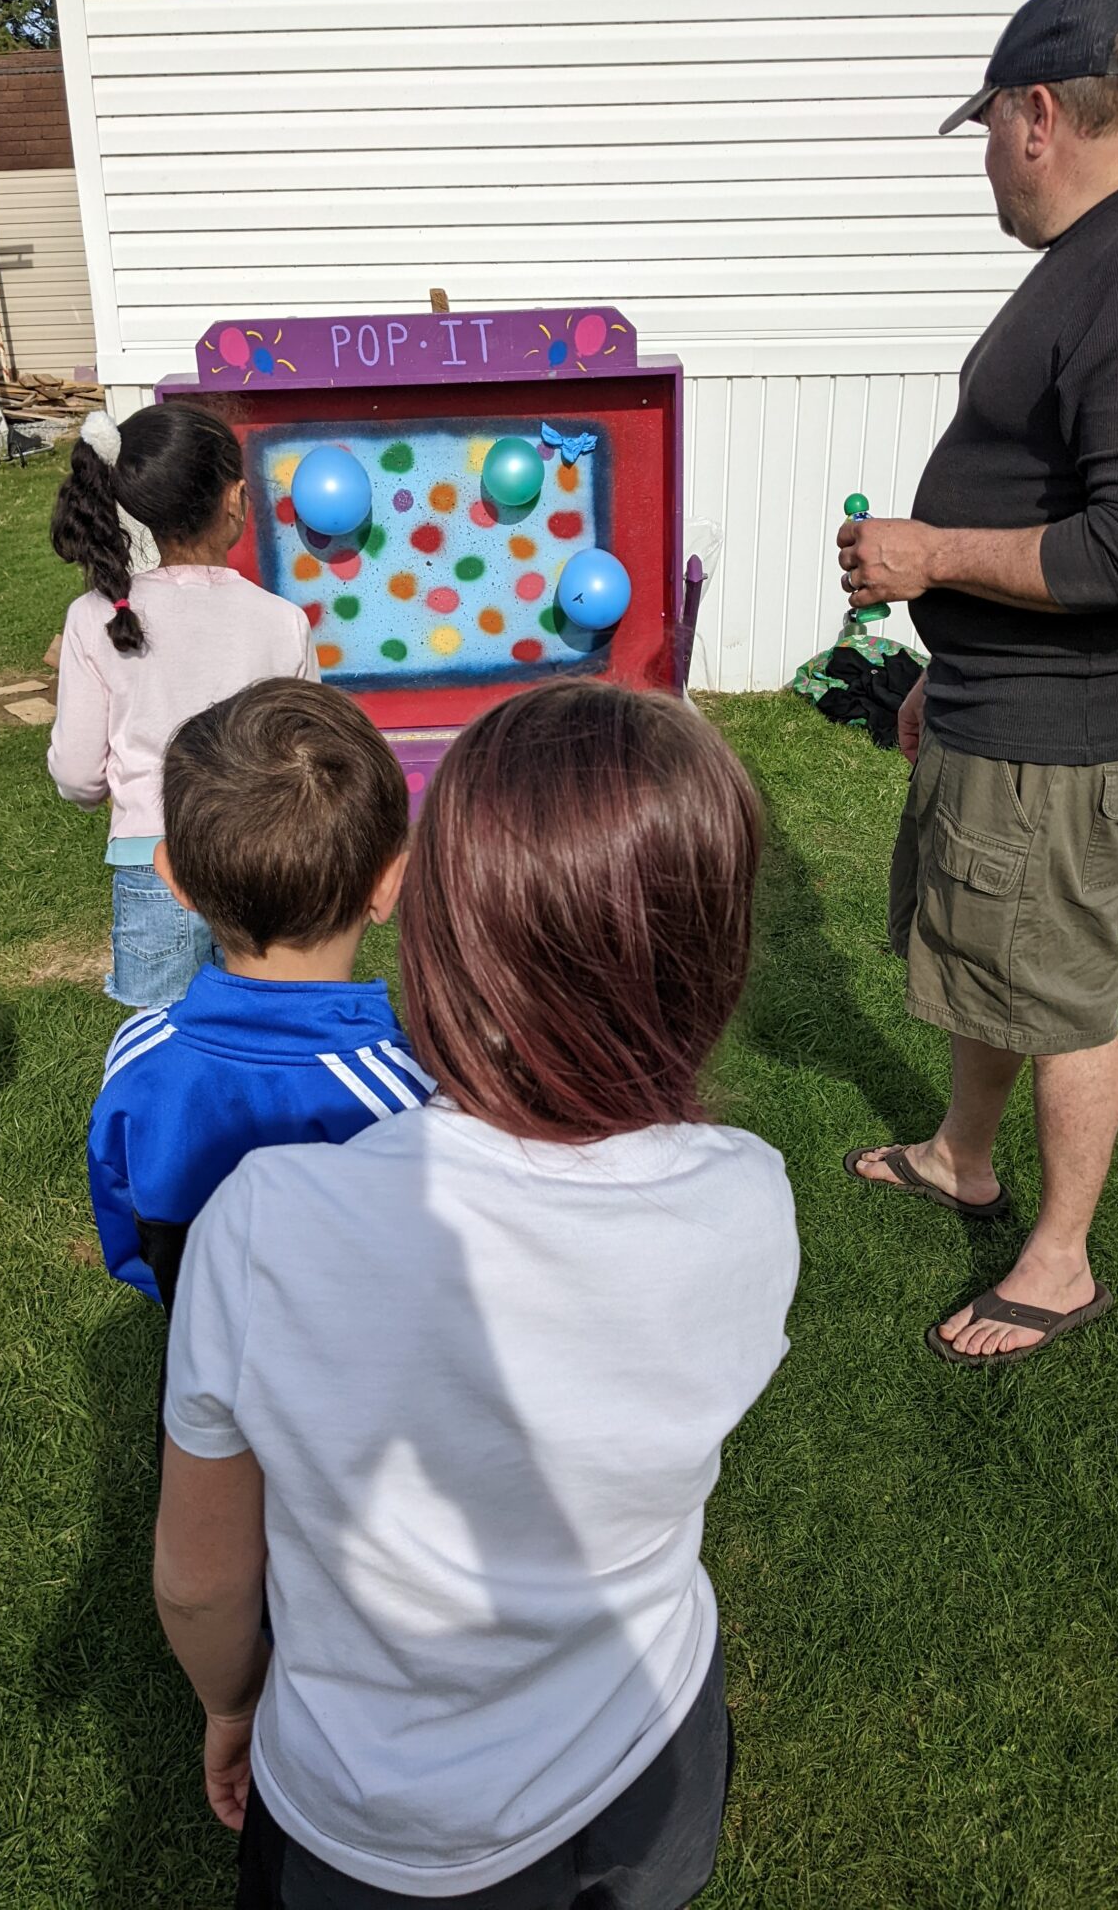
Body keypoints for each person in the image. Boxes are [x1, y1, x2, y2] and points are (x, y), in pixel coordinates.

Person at [153, 680, 799, 1910]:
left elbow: (199, 1575)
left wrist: (233, 1699)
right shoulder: (752, 1196)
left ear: (441, 918)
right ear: (710, 944)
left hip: (373, 1817)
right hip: (650, 1749)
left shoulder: (267, 1225)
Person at [835, 0, 1118, 1363]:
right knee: (988, 958)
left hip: (1068, 740)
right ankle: (966, 1155)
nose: (991, 173)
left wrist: (930, 562)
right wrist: (943, 673)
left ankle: (1061, 1264)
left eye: (986, 135)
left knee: (1059, 991)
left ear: (1035, 114)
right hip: (1007, 706)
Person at [87, 677, 424, 1316]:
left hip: (195, 1379)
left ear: (174, 881)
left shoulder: (136, 1057)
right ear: (389, 883)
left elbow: (130, 1241)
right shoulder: (413, 1101)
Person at [47, 403, 319, 1009]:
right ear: (237, 499)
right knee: (263, 1035)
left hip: (152, 867)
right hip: (260, 867)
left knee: (157, 1048)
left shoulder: (94, 617)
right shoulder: (284, 623)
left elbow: (76, 774)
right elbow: (314, 765)